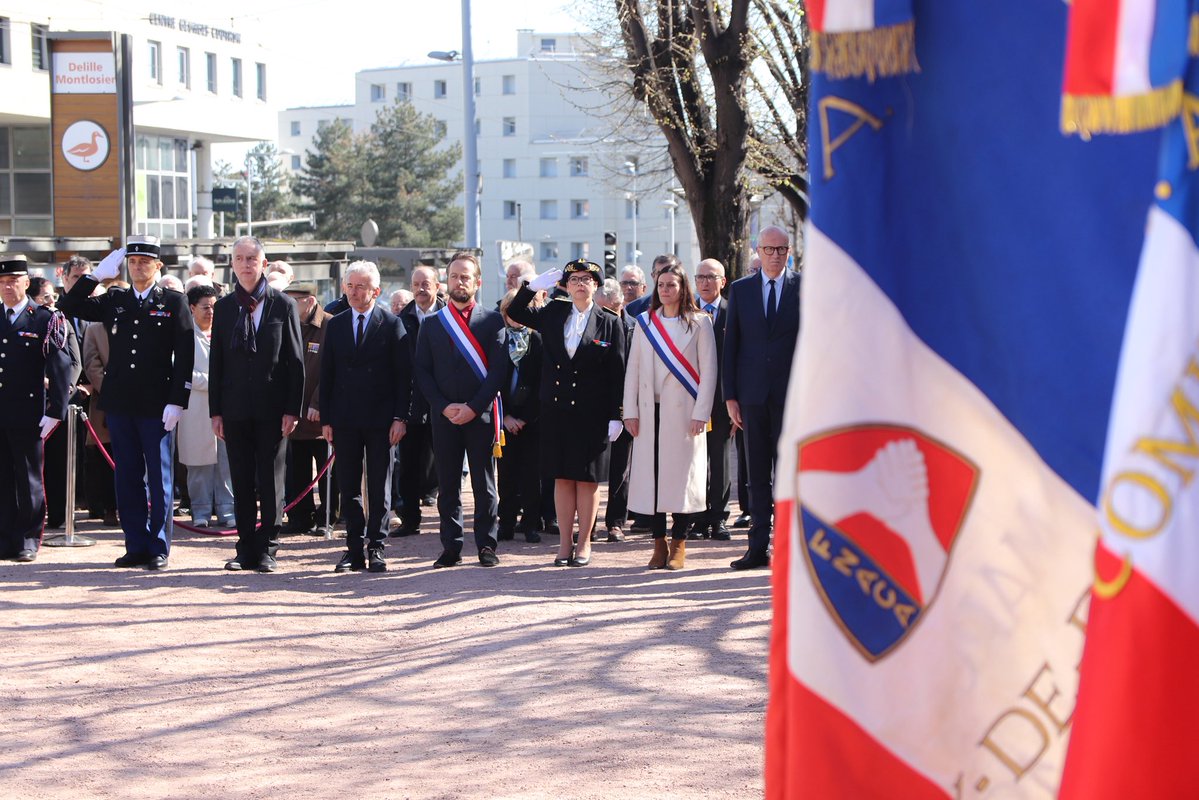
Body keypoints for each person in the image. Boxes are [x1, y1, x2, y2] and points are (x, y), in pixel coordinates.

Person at [59, 237, 194, 571]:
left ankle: (159, 546)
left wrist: (178, 400)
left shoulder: (173, 302)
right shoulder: (115, 298)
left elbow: (185, 355)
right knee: (128, 477)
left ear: (158, 266)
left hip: (157, 403)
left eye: (144, 262)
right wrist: (95, 277)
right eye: (132, 262)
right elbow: (70, 307)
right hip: (120, 403)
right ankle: (136, 544)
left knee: (160, 479)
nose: (137, 267)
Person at [508, 260, 626, 568]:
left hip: (593, 413)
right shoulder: (554, 313)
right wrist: (532, 287)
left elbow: (618, 371)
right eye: (574, 279)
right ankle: (564, 544)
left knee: (587, 480)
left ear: (596, 285)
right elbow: (517, 313)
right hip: (557, 409)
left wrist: (617, 413)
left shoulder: (609, 321)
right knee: (561, 477)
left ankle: (584, 542)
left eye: (587, 279)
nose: (580, 284)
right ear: (566, 285)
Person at [209, 236, 304, 573]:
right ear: (232, 265)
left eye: (252, 259)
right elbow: (217, 362)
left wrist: (293, 409)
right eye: (240, 258)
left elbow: (295, 361)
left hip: (273, 410)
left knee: (270, 479)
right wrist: (215, 412)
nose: (246, 264)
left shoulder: (283, 305)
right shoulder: (223, 308)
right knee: (241, 479)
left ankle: (268, 548)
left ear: (264, 264)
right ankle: (245, 547)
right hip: (234, 409)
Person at [413, 252, 507, 568]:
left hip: (479, 415)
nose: (459, 282)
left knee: (484, 485)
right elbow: (422, 372)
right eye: (454, 276)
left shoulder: (493, 320)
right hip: (445, 416)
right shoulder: (432, 324)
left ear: (477, 282)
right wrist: (443, 406)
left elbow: (498, 372)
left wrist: (473, 407)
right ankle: (451, 546)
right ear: (446, 282)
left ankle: (486, 545)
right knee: (448, 484)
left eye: (465, 276)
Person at [623, 262, 718, 570]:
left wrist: (701, 413)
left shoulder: (700, 323)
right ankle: (657, 542)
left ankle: (679, 541)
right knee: (652, 478)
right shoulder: (644, 323)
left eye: (671, 285)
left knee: (681, 479)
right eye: (661, 285)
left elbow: (709, 373)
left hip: (684, 413)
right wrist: (631, 412)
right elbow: (633, 372)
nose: (665, 290)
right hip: (651, 412)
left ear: (682, 288)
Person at [320, 261, 410, 573]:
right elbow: (327, 374)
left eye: (362, 286)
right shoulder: (336, 324)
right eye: (350, 286)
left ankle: (377, 546)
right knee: (349, 486)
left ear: (376, 290)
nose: (355, 292)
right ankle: (353, 548)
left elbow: (403, 376)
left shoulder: (391, 323)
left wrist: (401, 417)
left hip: (382, 419)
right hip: (344, 418)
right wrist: (327, 419)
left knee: (380, 486)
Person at [722, 225, 801, 570]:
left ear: (789, 252)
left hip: (793, 394)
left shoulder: (806, 287)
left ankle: (787, 546)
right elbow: (731, 346)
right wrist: (730, 396)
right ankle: (757, 547)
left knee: (789, 470)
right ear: (758, 251)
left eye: (781, 250)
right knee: (756, 473)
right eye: (769, 250)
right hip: (751, 395)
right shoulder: (741, 290)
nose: (775, 256)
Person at [0, 255, 74, 563]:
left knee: (29, 478)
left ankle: (28, 538)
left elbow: (60, 366)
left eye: (13, 282)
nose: (7, 288)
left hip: (29, 411)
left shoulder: (43, 318)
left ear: (26, 283)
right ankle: (5, 537)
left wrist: (56, 409)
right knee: (2, 478)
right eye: (2, 282)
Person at [281, 282, 336, 536]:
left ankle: (328, 517)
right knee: (296, 470)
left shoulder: (330, 325)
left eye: (294, 301)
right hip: (295, 415)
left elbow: (332, 371)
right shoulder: (286, 325)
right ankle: (300, 517)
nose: (289, 306)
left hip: (320, 417)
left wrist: (318, 402)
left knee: (327, 473)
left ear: (310, 301)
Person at [178, 284, 234, 529]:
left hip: (225, 406)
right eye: (205, 307)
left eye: (214, 307)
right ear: (192, 308)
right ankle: (199, 510)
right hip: (196, 407)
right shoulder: (183, 335)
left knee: (226, 462)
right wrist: (215, 382)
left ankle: (227, 509)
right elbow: (181, 372)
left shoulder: (225, 331)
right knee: (198, 463)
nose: (211, 312)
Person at [394, 265, 445, 537]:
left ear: (437, 286)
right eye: (416, 284)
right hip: (412, 403)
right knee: (409, 465)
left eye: (426, 283)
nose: (420, 289)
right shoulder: (402, 320)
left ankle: (448, 518)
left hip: (444, 402)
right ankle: (409, 518)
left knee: (445, 464)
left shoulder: (450, 316)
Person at [496, 288, 544, 544]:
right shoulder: (498, 340)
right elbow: (491, 380)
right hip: (503, 419)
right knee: (506, 476)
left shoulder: (537, 340)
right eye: (511, 311)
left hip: (530, 421)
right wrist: (505, 417)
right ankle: (505, 523)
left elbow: (541, 383)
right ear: (505, 313)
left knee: (530, 476)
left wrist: (525, 417)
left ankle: (531, 525)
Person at [691, 258, 733, 541]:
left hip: (721, 400)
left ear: (723, 281)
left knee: (719, 460)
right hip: (690, 398)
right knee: (693, 460)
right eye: (700, 277)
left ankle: (717, 517)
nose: (705, 282)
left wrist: (734, 400)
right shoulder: (685, 312)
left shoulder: (734, 312)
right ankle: (695, 518)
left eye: (711, 277)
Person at [598, 277, 637, 542]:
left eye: (604, 309)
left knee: (621, 467)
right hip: (595, 405)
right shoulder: (594, 324)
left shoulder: (636, 327)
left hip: (627, 405)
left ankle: (615, 522)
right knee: (589, 470)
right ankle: (587, 523)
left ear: (618, 302)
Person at [625, 254, 680, 320]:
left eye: (669, 272)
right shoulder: (634, 309)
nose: (664, 277)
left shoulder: (694, 304)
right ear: (653, 275)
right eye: (659, 273)